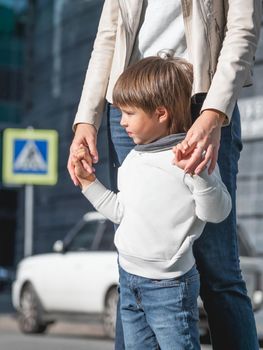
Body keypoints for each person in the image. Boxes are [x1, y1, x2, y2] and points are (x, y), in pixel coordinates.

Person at [68, 1, 262, 349]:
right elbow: (109, 34)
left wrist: (214, 111)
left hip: (200, 103)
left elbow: (243, 27)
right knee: (133, 266)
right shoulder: (127, 120)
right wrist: (87, 119)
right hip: (131, 103)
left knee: (218, 270)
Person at [73, 56, 232, 350]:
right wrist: (88, 184)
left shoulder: (193, 156)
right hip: (130, 282)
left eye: (129, 113)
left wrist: (199, 176)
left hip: (170, 289)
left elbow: (217, 212)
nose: (121, 122)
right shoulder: (134, 159)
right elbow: (122, 212)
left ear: (160, 113)